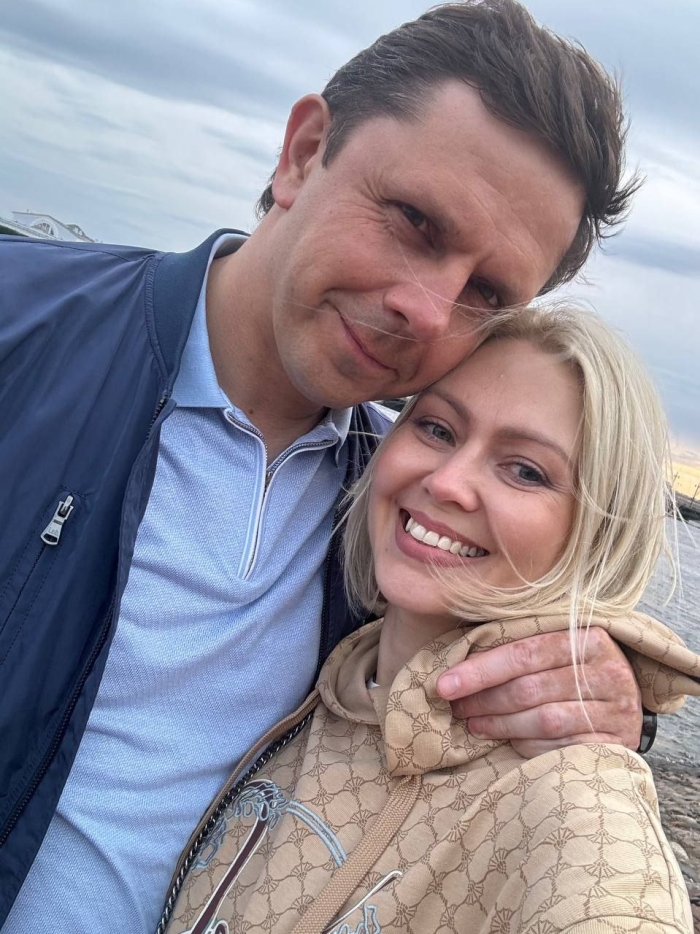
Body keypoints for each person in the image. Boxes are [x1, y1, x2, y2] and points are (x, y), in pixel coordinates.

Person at [0, 1, 658, 929]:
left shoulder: (395, 513)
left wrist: (606, 702)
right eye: (416, 222)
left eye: (485, 291)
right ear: (303, 153)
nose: (428, 311)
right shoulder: (23, 328)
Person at [162, 304, 700, 934]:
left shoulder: (575, 801)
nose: (447, 482)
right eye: (438, 429)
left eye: (525, 471)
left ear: (601, 533)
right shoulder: (333, 680)